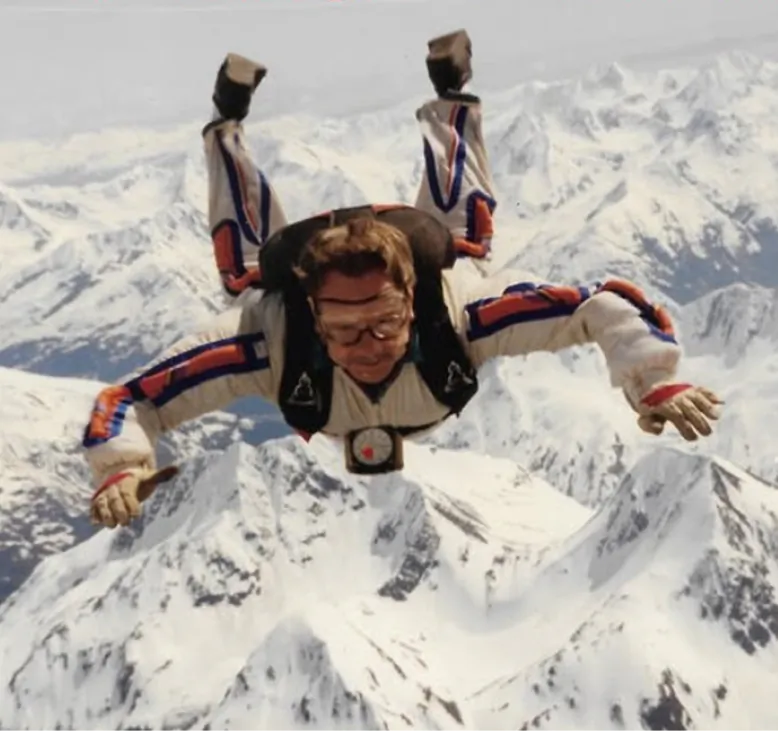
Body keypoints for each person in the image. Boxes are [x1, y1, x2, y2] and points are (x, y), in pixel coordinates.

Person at [84, 30, 723, 529]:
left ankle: (445, 95)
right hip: (305, 298)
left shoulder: (461, 311)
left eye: (385, 321)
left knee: (458, 244)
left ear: (413, 301)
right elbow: (132, 398)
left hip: (422, 274)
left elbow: (598, 306)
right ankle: (232, 124)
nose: (367, 344)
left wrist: (651, 380)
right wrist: (122, 467)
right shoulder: (266, 338)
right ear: (312, 314)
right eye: (343, 328)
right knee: (255, 278)